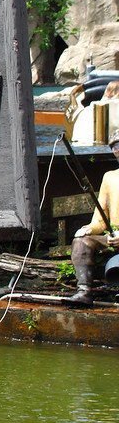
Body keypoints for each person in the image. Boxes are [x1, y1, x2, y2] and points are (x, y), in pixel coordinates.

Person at [67, 129, 119, 306]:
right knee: (83, 241)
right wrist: (89, 229)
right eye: (115, 146)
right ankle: (84, 291)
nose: (118, 150)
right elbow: (100, 219)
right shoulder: (110, 177)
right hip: (112, 237)